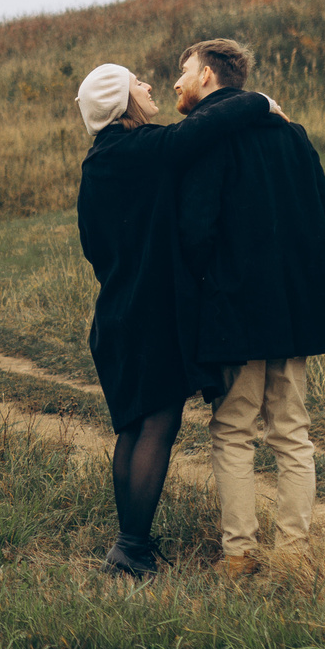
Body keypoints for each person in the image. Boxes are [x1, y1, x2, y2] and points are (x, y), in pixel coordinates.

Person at [170, 38, 325, 576]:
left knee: (233, 428)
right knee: (292, 429)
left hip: (235, 309)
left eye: (184, 71)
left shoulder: (208, 139)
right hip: (293, 310)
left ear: (209, 76)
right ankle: (295, 552)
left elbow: (194, 232)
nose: (176, 83)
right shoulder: (292, 134)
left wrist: (217, 279)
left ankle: (239, 554)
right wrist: (291, 269)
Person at [74, 62, 282, 578]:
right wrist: (259, 102)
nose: (147, 87)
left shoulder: (97, 163)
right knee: (158, 428)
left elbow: (92, 248)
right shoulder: (143, 150)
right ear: (121, 101)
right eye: (136, 83)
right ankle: (131, 548)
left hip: (116, 312)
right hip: (151, 314)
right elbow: (202, 128)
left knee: (133, 426)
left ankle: (128, 546)